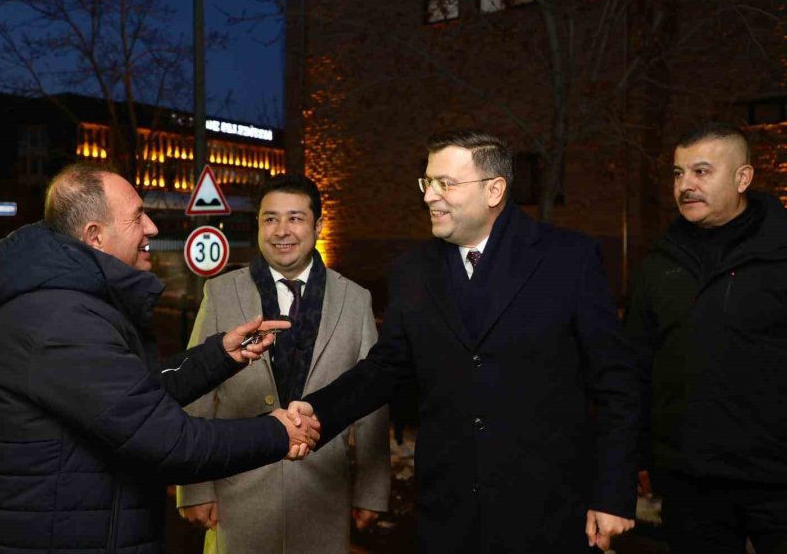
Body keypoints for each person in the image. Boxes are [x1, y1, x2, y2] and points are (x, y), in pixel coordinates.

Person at [290, 129, 641, 553]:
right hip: (449, 511)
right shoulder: (413, 271)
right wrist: (318, 413)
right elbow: (386, 369)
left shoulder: (569, 259)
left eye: (445, 184)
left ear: (494, 190)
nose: (429, 197)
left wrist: (613, 495)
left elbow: (617, 384)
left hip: (548, 509)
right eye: (427, 182)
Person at [0, 163, 319, 554]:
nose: (151, 228)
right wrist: (278, 432)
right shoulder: (60, 320)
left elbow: (132, 398)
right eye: (137, 217)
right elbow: (168, 439)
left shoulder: (68, 302)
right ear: (95, 236)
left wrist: (219, 355)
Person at [176, 174, 391, 553]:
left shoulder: (355, 300)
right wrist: (193, 488)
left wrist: (372, 492)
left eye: (295, 218)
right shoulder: (221, 292)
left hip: (324, 494)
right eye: (270, 219)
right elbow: (196, 394)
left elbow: (373, 403)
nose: (281, 231)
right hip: (236, 495)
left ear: (318, 225)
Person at [623, 122, 787, 554]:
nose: (685, 186)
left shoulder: (780, 254)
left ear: (743, 178)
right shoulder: (658, 264)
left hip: (777, 480)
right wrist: (640, 455)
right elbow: (636, 367)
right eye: (678, 174)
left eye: (701, 172)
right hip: (690, 484)